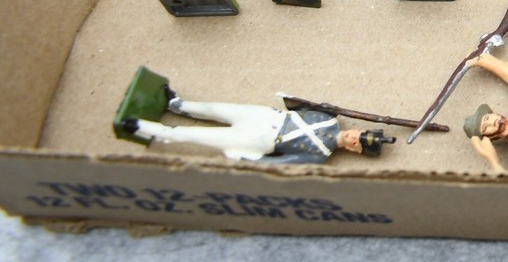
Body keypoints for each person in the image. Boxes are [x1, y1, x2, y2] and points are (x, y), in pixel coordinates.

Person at [122, 86, 387, 164]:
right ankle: (178, 104)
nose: (353, 137)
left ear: (354, 150)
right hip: (266, 117)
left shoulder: (317, 155)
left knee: (193, 136)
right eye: (359, 134)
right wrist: (326, 107)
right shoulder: (329, 118)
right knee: (214, 109)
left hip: (259, 141)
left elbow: (280, 164)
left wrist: (250, 159)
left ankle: (141, 127)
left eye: (357, 142)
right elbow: (301, 107)